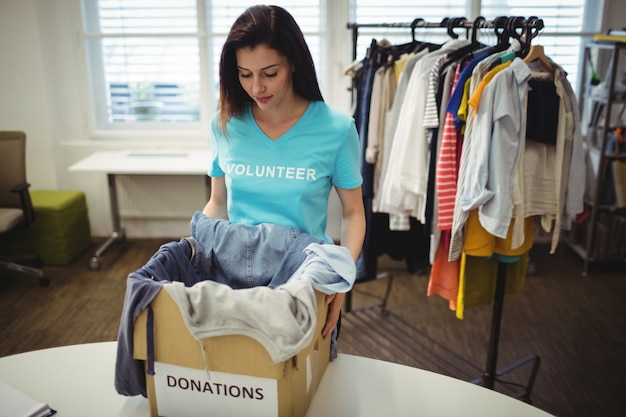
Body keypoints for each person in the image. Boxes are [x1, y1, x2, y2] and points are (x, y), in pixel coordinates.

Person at [202, 5, 365, 341]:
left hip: (304, 280)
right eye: (244, 74)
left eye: (269, 73)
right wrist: (193, 257)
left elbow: (353, 213)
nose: (256, 87)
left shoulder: (335, 129)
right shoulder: (225, 122)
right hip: (238, 279)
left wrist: (342, 281)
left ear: (292, 62)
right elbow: (217, 204)